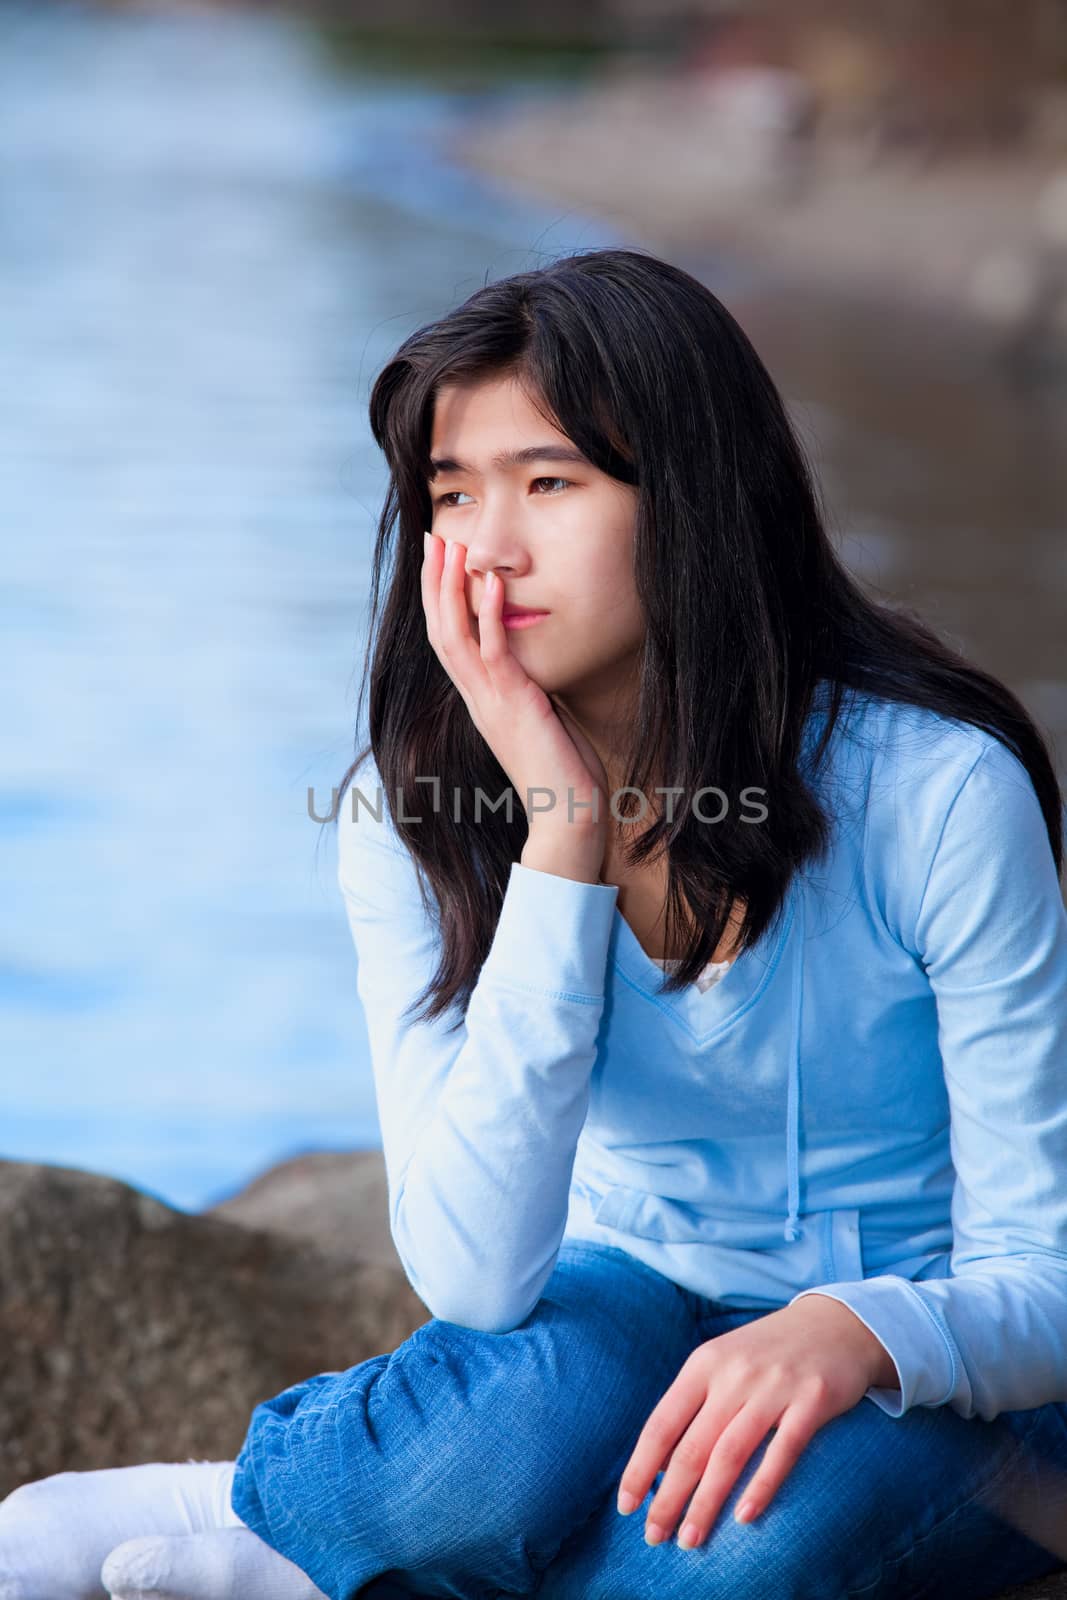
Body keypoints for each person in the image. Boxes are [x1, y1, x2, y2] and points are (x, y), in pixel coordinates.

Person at [3, 246, 1067, 1600]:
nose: (491, 550)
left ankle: (306, 1570)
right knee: (480, 1451)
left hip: (938, 1358)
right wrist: (563, 841)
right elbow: (477, 1278)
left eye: (549, 483)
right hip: (624, 1297)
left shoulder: (935, 793)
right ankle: (271, 1506)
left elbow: (1048, 1275)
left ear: (694, 497)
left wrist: (856, 1328)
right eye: (455, 494)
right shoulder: (420, 816)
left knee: (743, 1553)